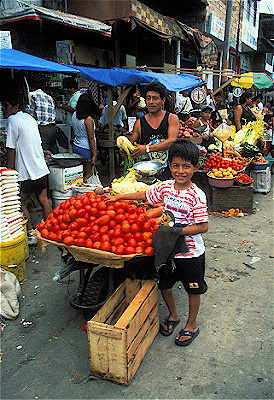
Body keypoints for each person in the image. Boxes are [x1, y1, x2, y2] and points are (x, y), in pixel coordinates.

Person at [104, 139, 209, 346]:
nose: (181, 171)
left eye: (186, 166)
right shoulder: (166, 187)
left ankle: (191, 325)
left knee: (193, 289)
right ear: (169, 166)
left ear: (196, 168)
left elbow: (203, 226)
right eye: (176, 165)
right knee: (165, 285)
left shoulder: (197, 196)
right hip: (168, 251)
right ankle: (173, 315)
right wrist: (119, 198)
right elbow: (146, 194)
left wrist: (176, 231)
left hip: (190, 254)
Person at [2, 91, 52, 245]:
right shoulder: (29, 118)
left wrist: (9, 173)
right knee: (43, 199)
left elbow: (11, 149)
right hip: (41, 169)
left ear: (15, 106)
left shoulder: (12, 120)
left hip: (27, 173)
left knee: (18, 202)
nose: (4, 109)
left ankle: (30, 233)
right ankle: (51, 229)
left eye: (6, 106)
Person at [130, 82, 179, 178]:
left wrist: (147, 149)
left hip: (168, 174)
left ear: (163, 100)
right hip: (146, 175)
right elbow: (132, 146)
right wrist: (127, 151)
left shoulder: (171, 118)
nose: (151, 102)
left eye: (155, 98)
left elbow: (172, 141)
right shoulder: (139, 123)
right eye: (148, 98)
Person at [71, 92, 100, 182]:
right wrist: (94, 155)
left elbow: (72, 131)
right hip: (85, 148)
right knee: (88, 173)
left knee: (79, 172)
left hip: (76, 145)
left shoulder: (74, 115)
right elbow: (91, 138)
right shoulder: (88, 119)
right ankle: (83, 191)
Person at [28, 84, 58, 153]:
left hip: (42, 127)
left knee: (43, 152)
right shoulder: (49, 97)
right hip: (52, 127)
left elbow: (30, 113)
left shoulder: (31, 95)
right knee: (52, 147)